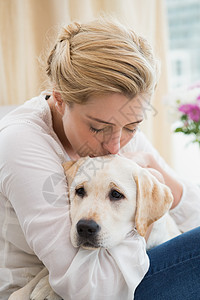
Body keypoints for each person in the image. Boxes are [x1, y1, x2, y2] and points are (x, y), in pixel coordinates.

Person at [0, 17, 199, 300]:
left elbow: (194, 215)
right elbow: (87, 287)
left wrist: (155, 174)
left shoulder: (115, 126)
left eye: (133, 127)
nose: (116, 145)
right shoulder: (21, 143)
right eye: (97, 127)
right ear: (58, 99)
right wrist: (143, 222)